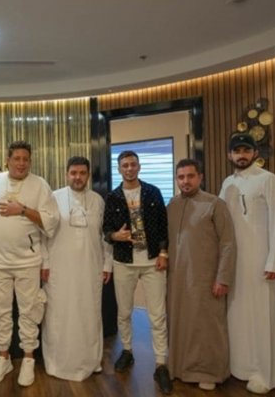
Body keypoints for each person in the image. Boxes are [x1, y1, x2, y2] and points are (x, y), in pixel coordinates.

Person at [0, 140, 60, 387]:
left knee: (30, 310)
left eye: (26, 159)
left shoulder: (40, 185)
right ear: (8, 160)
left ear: (30, 161)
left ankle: (28, 359)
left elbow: (51, 221)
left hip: (27, 261)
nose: (21, 163)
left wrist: (23, 210)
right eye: (17, 158)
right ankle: (3, 358)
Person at [219, 133, 275, 394]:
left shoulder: (269, 180)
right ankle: (241, 367)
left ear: (255, 153)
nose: (241, 155)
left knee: (261, 317)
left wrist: (274, 261)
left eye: (246, 150)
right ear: (230, 155)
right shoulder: (228, 183)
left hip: (261, 260)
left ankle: (265, 374)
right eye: (237, 151)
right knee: (236, 315)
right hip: (234, 260)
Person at [102, 150, 172, 395]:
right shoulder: (113, 197)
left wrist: (163, 253)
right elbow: (105, 230)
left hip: (152, 261)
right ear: (119, 169)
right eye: (125, 165)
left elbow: (163, 225)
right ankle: (127, 351)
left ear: (139, 167)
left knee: (157, 314)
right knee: (124, 312)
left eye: (133, 164)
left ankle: (161, 363)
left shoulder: (153, 192)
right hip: (124, 261)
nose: (129, 169)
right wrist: (115, 235)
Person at [166, 159, 236, 391]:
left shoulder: (215, 204)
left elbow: (228, 243)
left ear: (200, 177)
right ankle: (178, 368)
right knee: (179, 323)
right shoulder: (172, 205)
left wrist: (222, 278)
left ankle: (209, 372)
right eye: (181, 177)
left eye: (190, 176)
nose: (185, 181)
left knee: (207, 326)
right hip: (177, 278)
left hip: (205, 277)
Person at [41, 156, 112, 381]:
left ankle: (90, 360)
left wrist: (107, 264)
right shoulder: (53, 198)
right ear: (67, 174)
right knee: (59, 315)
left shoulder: (98, 200)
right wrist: (45, 263)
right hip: (59, 270)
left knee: (89, 314)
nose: (77, 177)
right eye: (73, 173)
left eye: (82, 173)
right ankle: (57, 362)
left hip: (90, 268)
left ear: (88, 175)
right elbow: (43, 235)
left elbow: (105, 236)